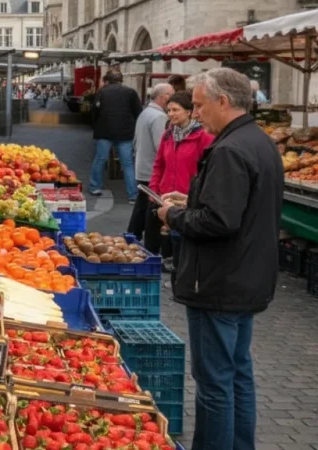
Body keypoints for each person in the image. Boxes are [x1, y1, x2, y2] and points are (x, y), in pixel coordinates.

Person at [157, 68, 283, 450]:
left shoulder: (228, 149)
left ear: (223, 102)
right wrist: (190, 200)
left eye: (198, 104)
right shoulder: (259, 143)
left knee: (214, 382)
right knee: (238, 374)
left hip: (219, 280)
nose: (196, 113)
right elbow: (240, 209)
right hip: (247, 275)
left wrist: (173, 215)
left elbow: (219, 221)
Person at [148, 91, 213, 282]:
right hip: (167, 195)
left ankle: (186, 276)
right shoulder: (168, 135)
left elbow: (206, 170)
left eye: (176, 110)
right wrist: (154, 190)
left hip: (188, 196)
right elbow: (159, 164)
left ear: (189, 111)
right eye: (168, 110)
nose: (171, 114)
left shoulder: (203, 137)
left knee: (185, 238)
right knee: (173, 236)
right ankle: (178, 274)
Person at [127, 83, 174, 241]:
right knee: (149, 209)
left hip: (143, 165)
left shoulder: (146, 112)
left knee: (141, 206)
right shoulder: (159, 117)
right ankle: (145, 242)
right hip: (151, 169)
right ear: (163, 97)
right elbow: (161, 146)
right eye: (171, 94)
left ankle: (132, 236)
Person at [89, 70, 142, 202]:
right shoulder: (130, 92)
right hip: (125, 133)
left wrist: (96, 127)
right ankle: (132, 195)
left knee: (100, 159)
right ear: (121, 80)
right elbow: (138, 112)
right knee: (128, 164)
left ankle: (95, 187)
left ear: (107, 80)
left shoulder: (102, 92)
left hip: (104, 132)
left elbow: (94, 112)